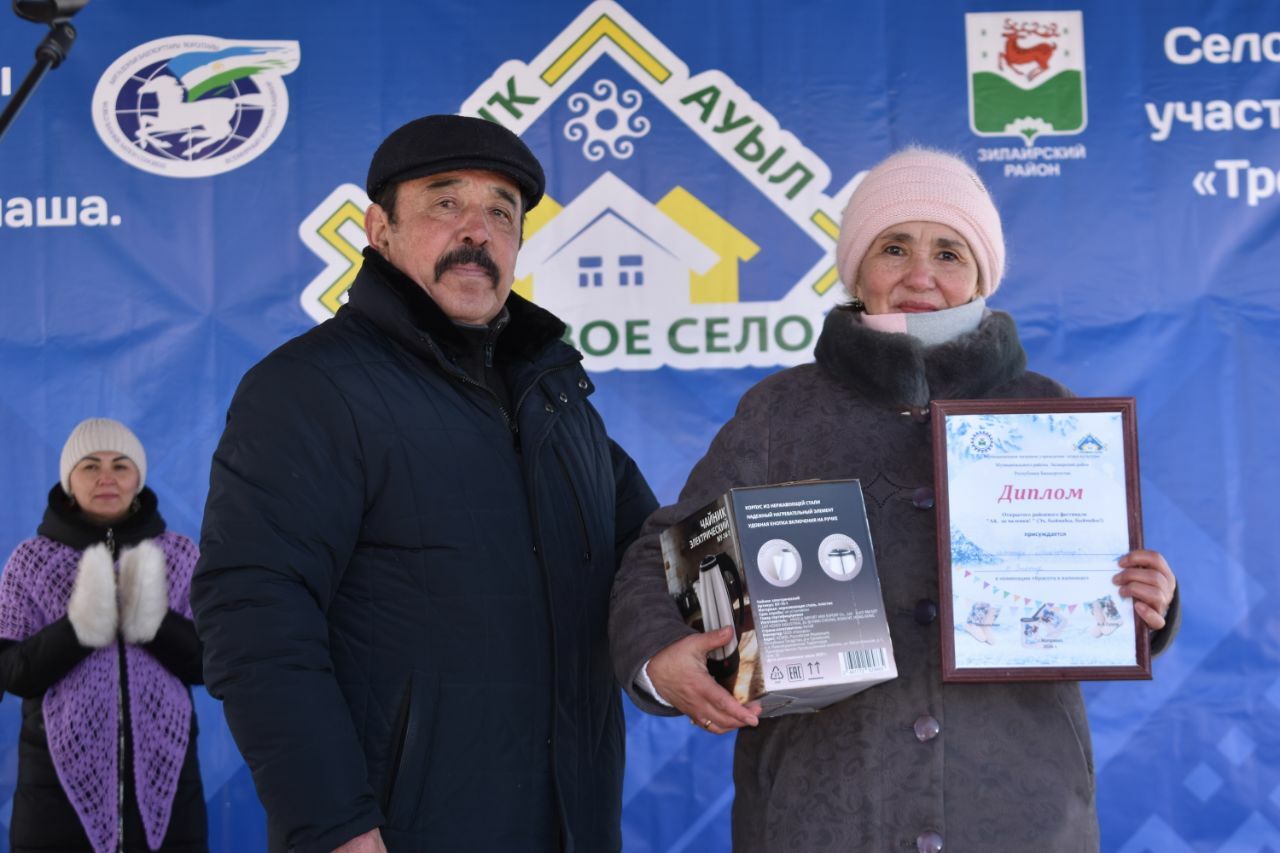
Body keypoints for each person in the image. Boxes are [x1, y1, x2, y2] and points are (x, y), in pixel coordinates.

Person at [608, 147, 1180, 853]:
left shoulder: (1049, 412)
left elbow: (1101, 580)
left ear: (981, 275)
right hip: (823, 818)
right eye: (894, 247)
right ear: (857, 270)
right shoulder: (780, 413)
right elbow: (662, 559)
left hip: (1021, 815)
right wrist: (659, 657)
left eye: (949, 252)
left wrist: (1147, 600)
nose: (920, 275)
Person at [191, 114, 657, 853]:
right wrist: (334, 825)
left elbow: (648, 555)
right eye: (445, 203)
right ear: (380, 229)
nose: (477, 231)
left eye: (501, 213)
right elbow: (254, 618)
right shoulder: (309, 389)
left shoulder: (557, 399)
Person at [0, 418, 207, 853]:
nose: (106, 478)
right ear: (69, 480)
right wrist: (80, 626)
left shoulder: (181, 556)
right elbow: (12, 673)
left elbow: (211, 664)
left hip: (169, 787)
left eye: (121, 465)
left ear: (138, 478)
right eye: (90, 465)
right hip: (52, 799)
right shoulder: (31, 562)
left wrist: (152, 621)